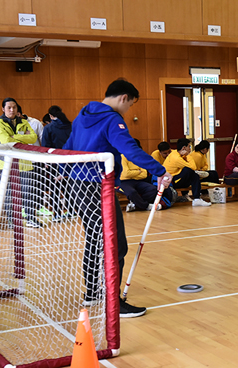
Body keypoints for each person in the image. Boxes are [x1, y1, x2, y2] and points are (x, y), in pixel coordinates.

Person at [63, 79, 172, 318]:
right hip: (97, 188)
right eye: (131, 104)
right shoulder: (113, 120)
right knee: (116, 244)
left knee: (94, 238)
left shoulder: (81, 117)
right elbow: (130, 150)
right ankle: (113, 302)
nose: (128, 110)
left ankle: (93, 292)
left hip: (77, 185)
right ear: (124, 98)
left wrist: (62, 174)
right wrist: (161, 171)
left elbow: (68, 147)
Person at [0, 97, 44, 228]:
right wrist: (22, 138)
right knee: (9, 193)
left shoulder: (24, 122)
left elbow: (33, 137)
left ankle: (31, 218)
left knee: (29, 193)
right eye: (9, 107)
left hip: (25, 163)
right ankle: (12, 220)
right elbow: (5, 141)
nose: (12, 110)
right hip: (7, 164)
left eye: (14, 107)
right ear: (3, 109)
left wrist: (14, 137)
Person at [41, 105, 73, 221]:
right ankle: (70, 210)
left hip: (54, 162)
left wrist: (46, 161)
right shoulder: (71, 126)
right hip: (70, 161)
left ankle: (57, 213)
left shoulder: (48, 128)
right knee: (69, 187)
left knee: (55, 187)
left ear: (50, 115)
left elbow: (45, 146)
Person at [164, 138, 211, 206]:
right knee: (188, 170)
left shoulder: (175, 152)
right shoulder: (176, 158)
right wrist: (188, 155)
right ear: (184, 148)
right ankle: (193, 197)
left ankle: (197, 199)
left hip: (177, 177)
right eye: (189, 146)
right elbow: (193, 167)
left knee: (195, 175)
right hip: (172, 180)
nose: (190, 148)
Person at [119, 138, 160, 211]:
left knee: (153, 189)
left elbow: (144, 174)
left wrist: (133, 172)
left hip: (138, 181)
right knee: (132, 192)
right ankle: (145, 206)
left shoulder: (139, 157)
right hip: (124, 181)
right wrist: (138, 171)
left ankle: (136, 205)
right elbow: (125, 174)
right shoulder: (122, 157)